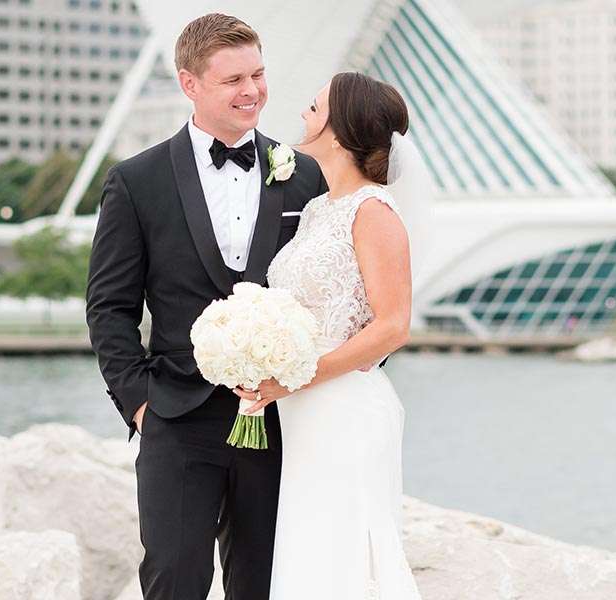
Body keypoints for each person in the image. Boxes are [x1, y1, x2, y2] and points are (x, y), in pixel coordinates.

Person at [84, 13, 327, 600]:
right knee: (173, 579)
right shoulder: (136, 181)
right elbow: (109, 306)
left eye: (259, 75)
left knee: (266, 583)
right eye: (233, 80)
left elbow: (330, 290)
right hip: (176, 415)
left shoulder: (304, 176)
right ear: (190, 84)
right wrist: (141, 405)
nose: (253, 92)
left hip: (278, 419)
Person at [239, 71, 423, 599]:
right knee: (306, 553)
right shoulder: (320, 209)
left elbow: (393, 325)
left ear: (340, 132)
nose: (303, 114)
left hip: (342, 410)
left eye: (315, 108)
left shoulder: (375, 214)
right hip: (300, 412)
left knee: (340, 552)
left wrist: (298, 377)